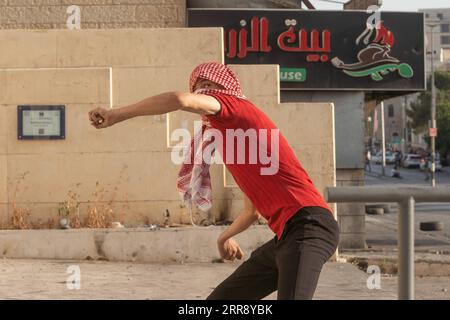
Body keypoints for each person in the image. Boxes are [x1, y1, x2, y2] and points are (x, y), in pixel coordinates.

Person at [88, 62, 339, 300]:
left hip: (310, 227)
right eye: (198, 86)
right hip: (286, 238)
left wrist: (116, 115)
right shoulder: (236, 142)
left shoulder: (235, 106)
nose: (203, 90)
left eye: (209, 84)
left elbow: (178, 99)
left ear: (225, 88)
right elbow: (252, 211)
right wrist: (224, 238)